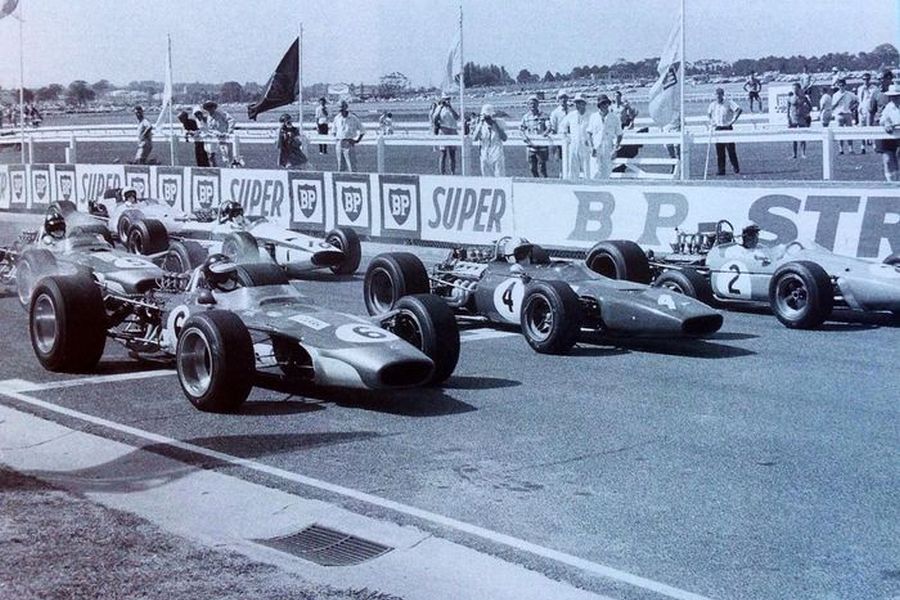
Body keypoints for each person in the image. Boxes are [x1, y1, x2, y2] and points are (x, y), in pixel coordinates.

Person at [707, 87, 742, 176]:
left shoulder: (728, 103)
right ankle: (721, 170)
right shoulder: (712, 105)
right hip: (718, 129)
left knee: (731, 150)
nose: (718, 96)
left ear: (722, 94)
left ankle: (736, 168)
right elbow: (709, 114)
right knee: (719, 151)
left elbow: (738, 110)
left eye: (720, 94)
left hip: (727, 128)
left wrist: (733, 120)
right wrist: (712, 122)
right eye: (717, 94)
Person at [587, 94, 623, 179]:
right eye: (603, 103)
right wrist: (591, 147)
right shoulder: (593, 117)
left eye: (607, 103)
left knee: (606, 172)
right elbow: (589, 133)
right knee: (595, 172)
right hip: (596, 147)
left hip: (608, 147)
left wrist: (615, 149)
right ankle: (595, 191)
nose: (605, 105)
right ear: (599, 105)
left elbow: (619, 134)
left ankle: (605, 191)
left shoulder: (614, 117)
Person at [560, 93, 591, 179]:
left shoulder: (590, 116)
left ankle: (590, 187)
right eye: (576, 103)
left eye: (580, 102)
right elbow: (562, 127)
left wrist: (590, 141)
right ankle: (573, 187)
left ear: (584, 103)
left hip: (586, 146)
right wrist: (567, 138)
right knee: (573, 169)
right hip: (574, 145)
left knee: (587, 169)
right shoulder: (571, 115)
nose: (577, 105)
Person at [473, 103, 507, 177]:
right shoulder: (481, 125)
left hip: (497, 152)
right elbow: (474, 138)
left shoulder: (499, 122)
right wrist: (481, 123)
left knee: (499, 175)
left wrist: (495, 124)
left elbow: (504, 138)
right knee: (486, 176)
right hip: (484, 153)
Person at [520, 96, 549, 177]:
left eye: (534, 103)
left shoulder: (544, 116)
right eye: (531, 103)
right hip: (530, 146)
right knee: (532, 168)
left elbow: (549, 127)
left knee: (542, 168)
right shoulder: (526, 117)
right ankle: (535, 183)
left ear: (538, 104)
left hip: (542, 147)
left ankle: (546, 183)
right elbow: (521, 129)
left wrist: (544, 134)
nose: (532, 105)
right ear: (528, 105)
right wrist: (524, 137)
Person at [332, 100, 364, 172]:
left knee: (351, 165)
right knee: (340, 165)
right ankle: (341, 181)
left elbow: (362, 131)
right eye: (339, 107)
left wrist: (357, 140)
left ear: (346, 107)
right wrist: (338, 139)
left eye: (342, 107)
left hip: (349, 143)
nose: (341, 109)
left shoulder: (353, 118)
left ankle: (354, 180)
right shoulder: (337, 118)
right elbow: (334, 131)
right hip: (339, 143)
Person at [876, 83, 900, 181]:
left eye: (896, 96)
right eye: (891, 96)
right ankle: (890, 183)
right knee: (888, 159)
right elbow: (882, 120)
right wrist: (886, 123)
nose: (893, 98)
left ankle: (897, 181)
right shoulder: (889, 107)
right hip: (889, 136)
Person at [202, 101, 237, 166]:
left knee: (228, 155)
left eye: (211, 107)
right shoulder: (208, 117)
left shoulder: (221, 114)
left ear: (214, 107)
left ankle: (231, 170)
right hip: (216, 139)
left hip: (225, 137)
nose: (209, 109)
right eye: (208, 107)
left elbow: (231, 120)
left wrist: (229, 131)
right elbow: (210, 129)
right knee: (214, 155)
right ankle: (217, 171)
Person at [831, 79, 859, 154]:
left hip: (847, 114)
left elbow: (857, 100)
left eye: (842, 85)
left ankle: (850, 149)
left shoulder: (849, 94)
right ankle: (841, 149)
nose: (841, 87)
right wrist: (837, 102)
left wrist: (853, 107)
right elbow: (832, 107)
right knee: (839, 133)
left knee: (849, 132)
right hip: (839, 114)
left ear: (845, 86)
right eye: (840, 86)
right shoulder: (835, 95)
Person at [433, 94, 460, 175]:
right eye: (445, 99)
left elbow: (457, 117)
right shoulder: (439, 108)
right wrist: (440, 108)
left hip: (452, 129)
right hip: (443, 129)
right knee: (443, 153)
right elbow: (435, 119)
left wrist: (450, 108)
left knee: (452, 153)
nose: (447, 101)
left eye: (448, 99)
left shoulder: (454, 107)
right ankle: (442, 173)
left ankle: (453, 172)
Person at [547, 89, 570, 176]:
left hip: (571, 139)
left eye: (565, 97)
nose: (563, 100)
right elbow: (553, 128)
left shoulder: (572, 110)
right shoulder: (555, 113)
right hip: (560, 140)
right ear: (558, 99)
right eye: (561, 98)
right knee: (561, 161)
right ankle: (562, 176)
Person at [787, 82, 812, 159]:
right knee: (794, 137)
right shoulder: (790, 98)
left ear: (799, 89)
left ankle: (803, 153)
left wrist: (806, 113)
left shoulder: (803, 98)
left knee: (802, 136)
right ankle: (794, 154)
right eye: (793, 88)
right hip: (793, 118)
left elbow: (810, 106)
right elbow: (788, 110)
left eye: (796, 88)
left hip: (802, 118)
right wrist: (788, 119)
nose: (795, 90)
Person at [857, 72, 877, 151]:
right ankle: (863, 146)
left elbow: (872, 99)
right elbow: (859, 100)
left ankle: (874, 144)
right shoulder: (860, 89)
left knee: (871, 127)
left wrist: (867, 90)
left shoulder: (874, 88)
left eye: (867, 79)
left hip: (870, 110)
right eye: (864, 79)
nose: (866, 81)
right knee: (862, 128)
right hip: (862, 110)